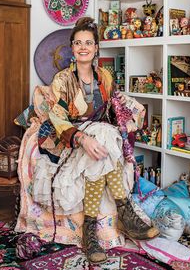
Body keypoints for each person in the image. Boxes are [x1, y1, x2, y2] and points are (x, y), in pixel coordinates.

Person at [18, 17, 159, 264]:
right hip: (69, 138)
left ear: (96, 49)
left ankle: (90, 233)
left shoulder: (104, 75)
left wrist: (129, 116)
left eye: (89, 43)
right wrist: (81, 138)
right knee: (103, 135)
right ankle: (125, 212)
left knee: (105, 135)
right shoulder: (62, 79)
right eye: (78, 43)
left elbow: (115, 105)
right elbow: (58, 116)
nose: (84, 47)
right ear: (72, 48)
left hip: (98, 135)